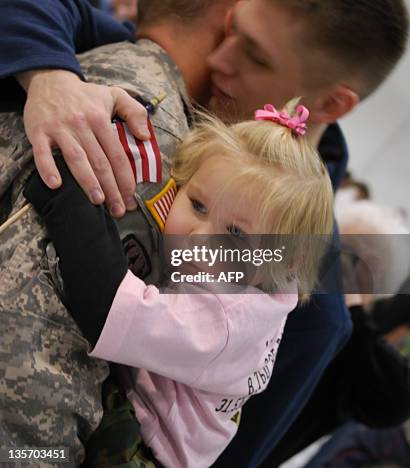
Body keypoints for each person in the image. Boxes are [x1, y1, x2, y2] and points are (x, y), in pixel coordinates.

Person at [0, 0, 408, 466]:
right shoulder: (178, 96)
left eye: (254, 53)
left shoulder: (312, 303)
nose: (217, 59)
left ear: (331, 104)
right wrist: (48, 75)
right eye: (230, 33)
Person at [23, 104, 334, 468]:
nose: (199, 238)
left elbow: (106, 308)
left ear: (283, 262)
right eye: (198, 205)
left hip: (140, 451)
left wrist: (67, 196)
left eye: (234, 234)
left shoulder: (226, 320)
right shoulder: (262, 283)